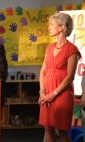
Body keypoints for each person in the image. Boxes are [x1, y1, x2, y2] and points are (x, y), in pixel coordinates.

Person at [38, 12, 81, 142]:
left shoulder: (72, 49)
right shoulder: (50, 47)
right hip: (47, 93)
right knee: (48, 128)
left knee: (62, 131)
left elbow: (70, 77)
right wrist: (43, 92)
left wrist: (54, 94)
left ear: (62, 27)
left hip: (62, 94)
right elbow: (43, 70)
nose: (49, 27)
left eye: (51, 24)